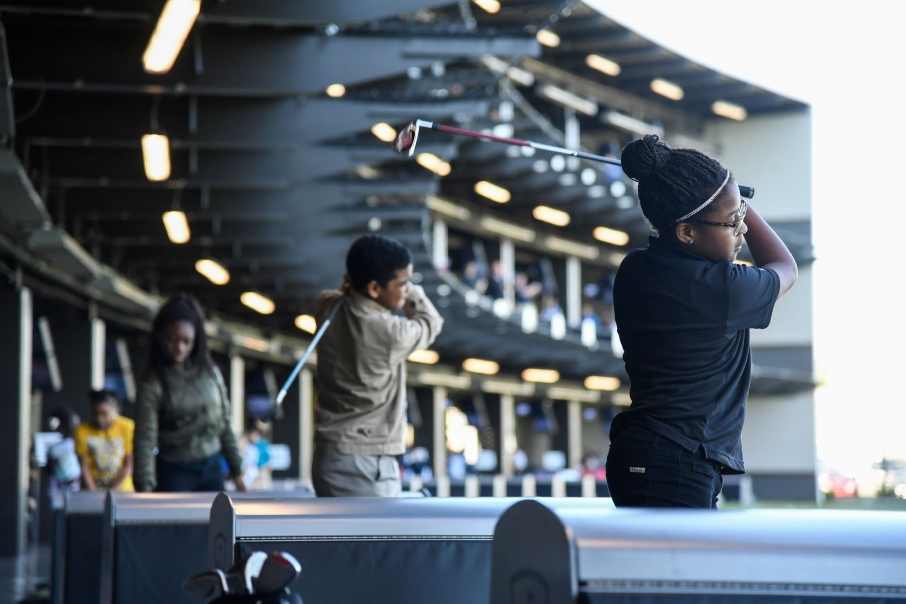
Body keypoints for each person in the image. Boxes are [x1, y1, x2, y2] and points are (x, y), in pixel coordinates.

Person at [606, 134, 798, 509]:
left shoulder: (634, 268)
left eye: (741, 219)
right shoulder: (724, 289)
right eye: (731, 222)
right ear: (687, 232)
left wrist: (728, 201)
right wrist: (740, 200)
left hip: (638, 452)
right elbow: (785, 267)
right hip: (679, 462)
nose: (741, 229)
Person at [312, 235, 444, 497]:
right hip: (365, 464)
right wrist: (413, 291)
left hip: (330, 456)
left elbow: (344, 292)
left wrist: (371, 278)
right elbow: (431, 322)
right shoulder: (390, 333)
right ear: (373, 288)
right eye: (403, 283)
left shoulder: (325, 306)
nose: (407, 289)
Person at [133, 293, 246, 493]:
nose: (179, 347)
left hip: (212, 468)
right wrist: (144, 488)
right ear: (160, 335)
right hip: (174, 472)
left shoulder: (211, 373)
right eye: (172, 339)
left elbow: (224, 423)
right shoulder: (152, 383)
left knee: (218, 524)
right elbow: (145, 439)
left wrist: (238, 473)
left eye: (187, 341)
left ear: (196, 340)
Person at [74, 390, 134, 491]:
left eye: (104, 414)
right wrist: (93, 492)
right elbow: (84, 465)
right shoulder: (81, 430)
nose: (99, 419)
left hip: (123, 490)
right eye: (95, 413)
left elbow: (129, 463)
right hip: (93, 489)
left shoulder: (128, 427)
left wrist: (114, 490)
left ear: (115, 410)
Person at [46, 407, 82, 499]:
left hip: (75, 486)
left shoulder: (77, 444)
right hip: (59, 487)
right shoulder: (55, 448)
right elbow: (49, 468)